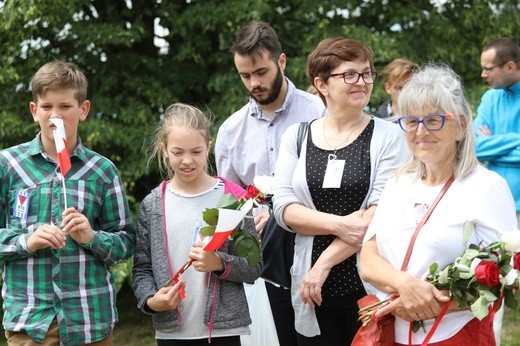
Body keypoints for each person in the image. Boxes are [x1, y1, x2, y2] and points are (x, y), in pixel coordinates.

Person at [359, 64, 518, 345]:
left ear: (461, 127)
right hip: (389, 335)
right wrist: (404, 287)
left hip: (455, 335)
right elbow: (369, 260)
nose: (421, 131)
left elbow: (503, 276)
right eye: (411, 121)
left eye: (434, 120)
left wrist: (423, 304)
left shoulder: (487, 187)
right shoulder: (398, 183)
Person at [272, 37, 407, 345]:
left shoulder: (389, 136)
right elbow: (283, 208)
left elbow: (380, 214)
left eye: (366, 73)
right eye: (349, 74)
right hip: (310, 292)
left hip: (369, 287)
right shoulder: (297, 136)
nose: (362, 81)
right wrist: (344, 225)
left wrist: (323, 264)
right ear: (321, 83)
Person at [0, 60, 136, 345]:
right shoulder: (8, 165)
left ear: (83, 110)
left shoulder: (102, 171)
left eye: (65, 107)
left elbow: (125, 243)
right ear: (34, 111)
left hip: (90, 321)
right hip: (30, 323)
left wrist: (91, 237)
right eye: (47, 106)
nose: (55, 116)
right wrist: (27, 241)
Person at [214, 20, 326, 346]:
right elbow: (228, 205)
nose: (254, 83)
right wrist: (248, 220)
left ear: (282, 61)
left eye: (261, 72)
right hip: (263, 267)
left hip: (317, 256)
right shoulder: (230, 132)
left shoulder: (319, 111)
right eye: (245, 76)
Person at [132, 103, 262, 346]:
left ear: (208, 147)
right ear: (164, 149)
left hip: (223, 331)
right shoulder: (153, 204)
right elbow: (141, 269)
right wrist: (151, 300)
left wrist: (219, 263)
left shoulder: (232, 199)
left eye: (196, 151)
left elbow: (254, 267)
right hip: (172, 332)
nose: (187, 161)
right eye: (178, 152)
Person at [474, 38, 520, 344]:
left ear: (511, 66)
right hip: (495, 205)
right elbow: (476, 147)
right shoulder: (489, 99)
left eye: (488, 68)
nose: (483, 74)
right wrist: (515, 140)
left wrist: (496, 144)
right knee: (495, 279)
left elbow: (487, 148)